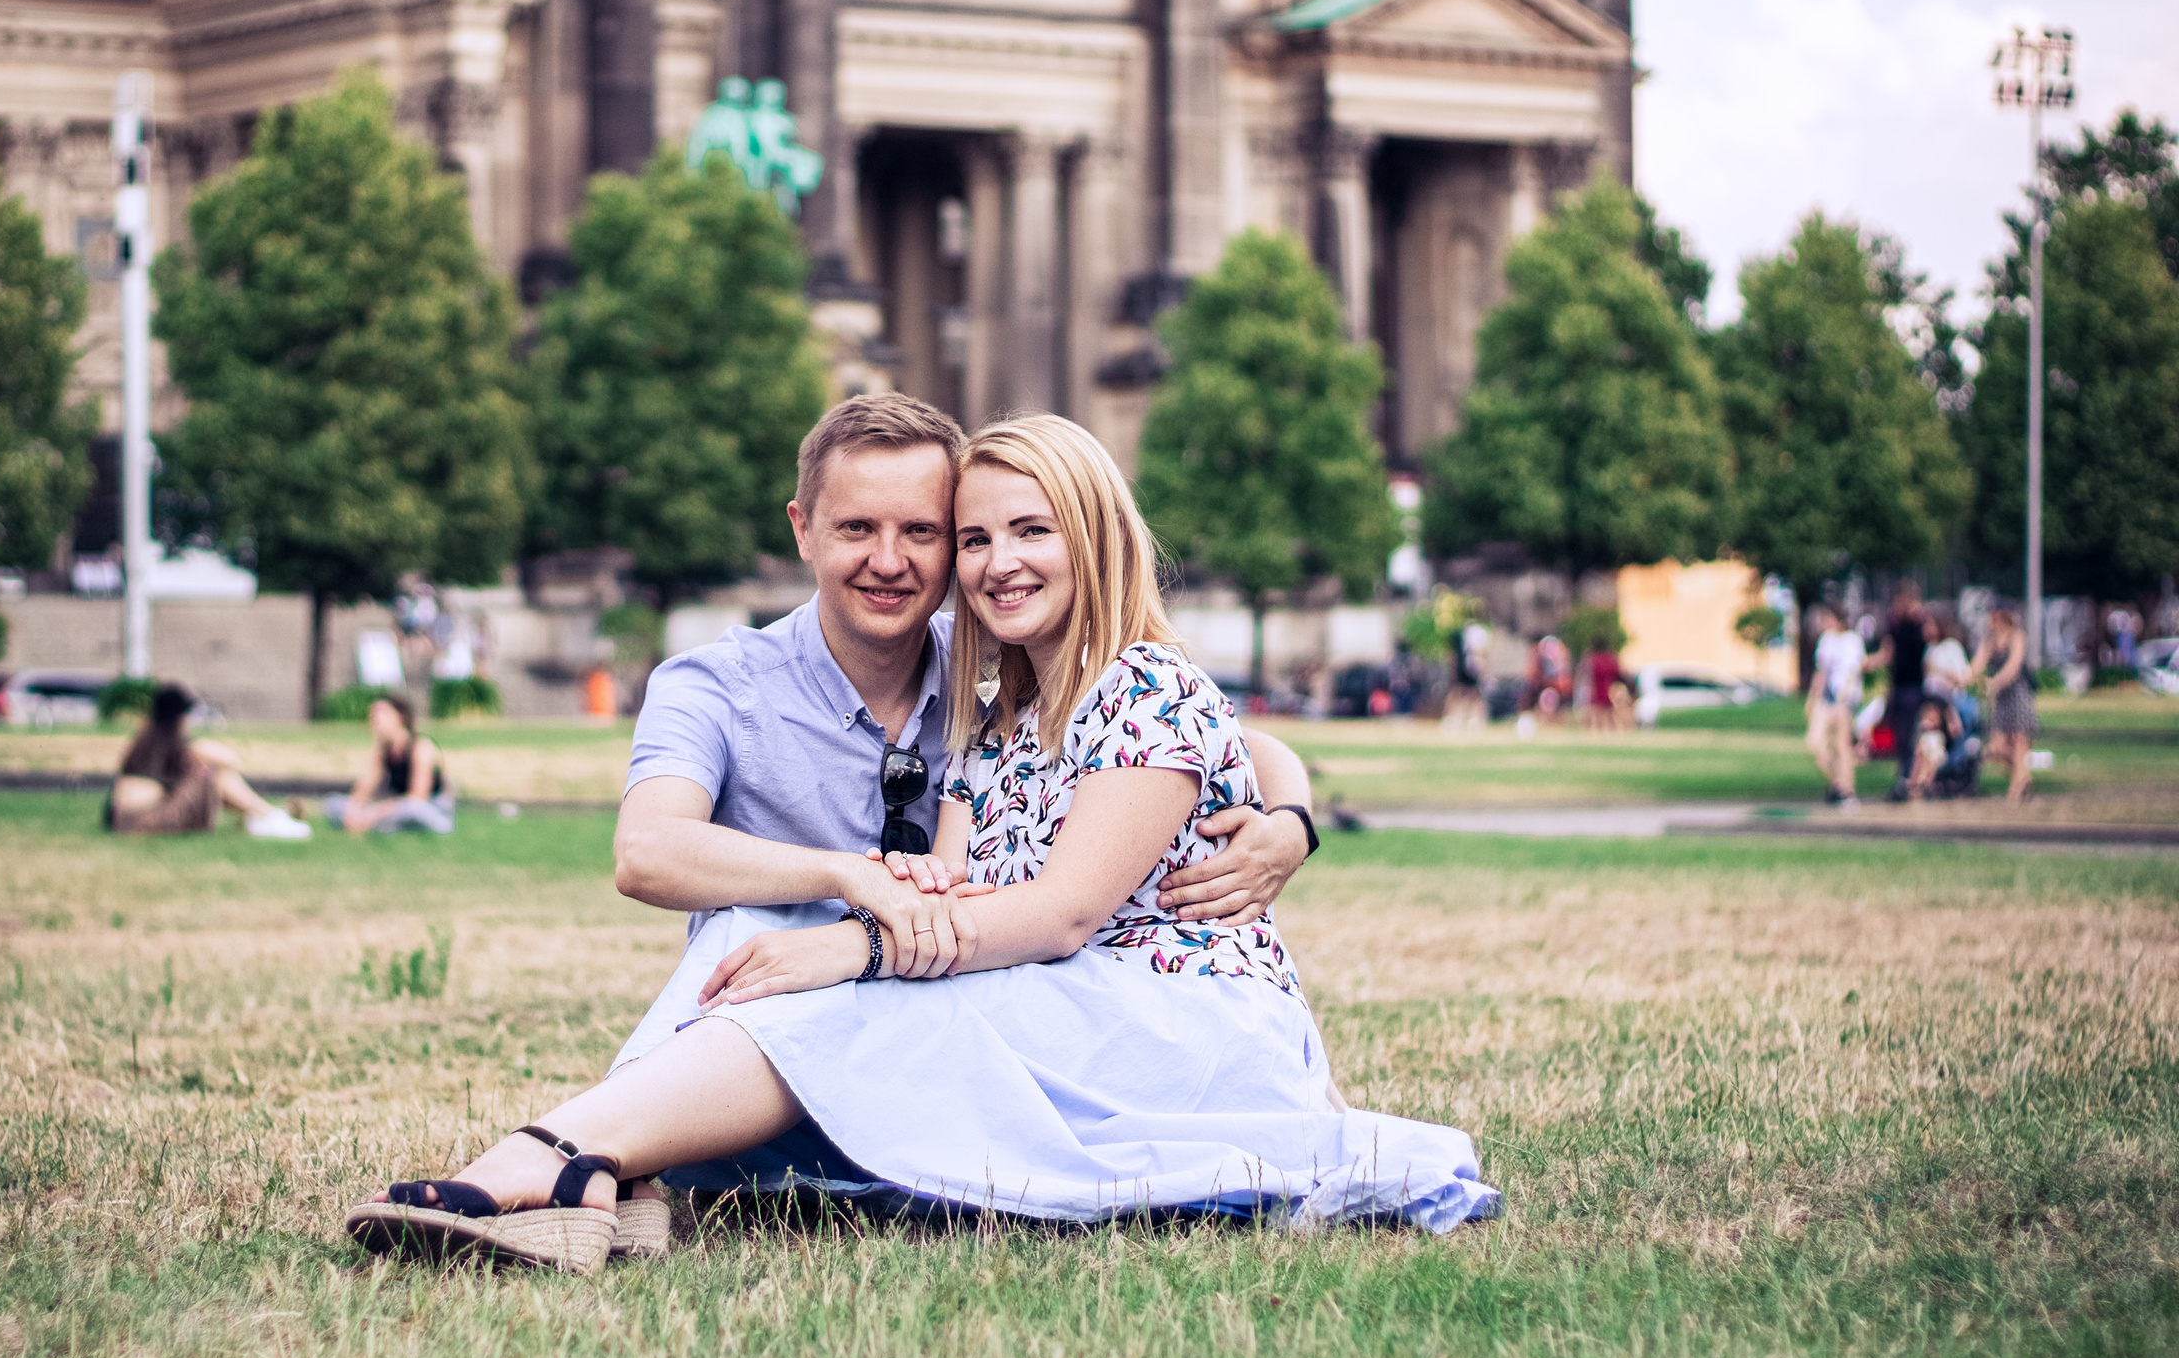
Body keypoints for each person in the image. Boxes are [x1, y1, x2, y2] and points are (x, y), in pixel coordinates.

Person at [342, 411, 1488, 1275]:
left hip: (1150, 1010)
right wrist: (861, 902)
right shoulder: (977, 707)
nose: (981, 562)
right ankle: (598, 1174)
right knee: (766, 935)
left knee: (856, 982)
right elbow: (670, 856)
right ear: (804, 531)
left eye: (1011, 533)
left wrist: (1287, 823)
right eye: (976, 537)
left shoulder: (1117, 681)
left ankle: (537, 1161)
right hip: (1017, 985)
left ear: (1091, 539)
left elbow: (1073, 897)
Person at [108, 683, 311, 837]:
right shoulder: (175, 744)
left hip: (132, 818)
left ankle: (265, 816)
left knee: (210, 775)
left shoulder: (146, 740)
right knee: (214, 775)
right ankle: (268, 816)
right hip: (146, 819)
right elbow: (230, 760)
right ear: (177, 717)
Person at [326, 695, 455, 833]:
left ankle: (380, 824)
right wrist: (352, 812)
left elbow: (418, 796)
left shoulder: (421, 747)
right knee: (332, 804)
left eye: (382, 713)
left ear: (400, 717)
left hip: (429, 808)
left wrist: (377, 812)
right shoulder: (382, 749)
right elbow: (364, 789)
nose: (375, 719)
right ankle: (382, 825)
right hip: (394, 806)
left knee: (412, 809)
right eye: (373, 714)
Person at [1968, 608, 2038, 805]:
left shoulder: (2017, 636)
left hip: (2018, 693)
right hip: (2000, 697)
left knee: (2019, 741)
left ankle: (2015, 793)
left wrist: (1995, 682)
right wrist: (1961, 676)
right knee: (1996, 746)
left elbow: (2013, 666)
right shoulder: (1989, 638)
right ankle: (2024, 776)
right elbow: (1977, 664)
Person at [1867, 583, 1928, 802]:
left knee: (1910, 735)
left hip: (1914, 687)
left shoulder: (1922, 626)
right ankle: (1904, 778)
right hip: (1900, 686)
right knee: (1901, 737)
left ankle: (1909, 779)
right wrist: (1866, 663)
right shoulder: (1895, 628)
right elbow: (1887, 653)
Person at [1807, 605, 1864, 808]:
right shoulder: (1826, 641)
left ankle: (1847, 790)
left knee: (1842, 745)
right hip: (1827, 698)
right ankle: (1839, 783)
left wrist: (1847, 698)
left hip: (1845, 698)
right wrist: (1812, 699)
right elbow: (1821, 672)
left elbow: (1855, 670)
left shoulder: (1852, 640)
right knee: (1815, 743)